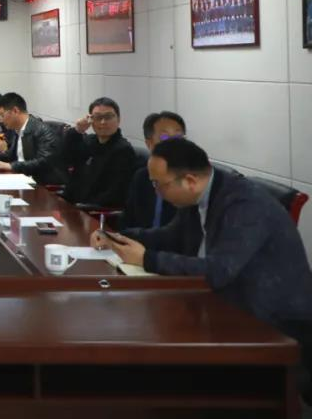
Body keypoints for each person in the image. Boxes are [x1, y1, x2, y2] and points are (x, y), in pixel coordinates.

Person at [93, 138, 312, 402]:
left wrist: (147, 259)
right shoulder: (203, 194)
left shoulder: (246, 204)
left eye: (159, 184)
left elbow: (219, 270)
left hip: (267, 320)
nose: (156, 192)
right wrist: (119, 237)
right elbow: (170, 236)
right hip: (218, 301)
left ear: (190, 181)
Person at [60, 97, 136, 209]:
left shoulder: (123, 150)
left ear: (118, 120)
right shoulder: (89, 141)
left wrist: (83, 206)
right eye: (98, 117)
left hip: (94, 211)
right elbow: (65, 158)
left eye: (108, 117)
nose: (103, 122)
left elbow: (114, 194)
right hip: (73, 206)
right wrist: (77, 130)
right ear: (90, 120)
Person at [0, 92, 65, 187]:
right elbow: (11, 156)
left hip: (40, 184)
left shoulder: (42, 130)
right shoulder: (18, 130)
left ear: (15, 111)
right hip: (21, 179)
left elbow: (43, 163)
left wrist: (11, 166)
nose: (1, 121)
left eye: (2, 115)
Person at [122, 112, 182, 230]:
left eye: (178, 138)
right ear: (149, 144)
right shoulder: (142, 177)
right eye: (164, 138)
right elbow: (127, 219)